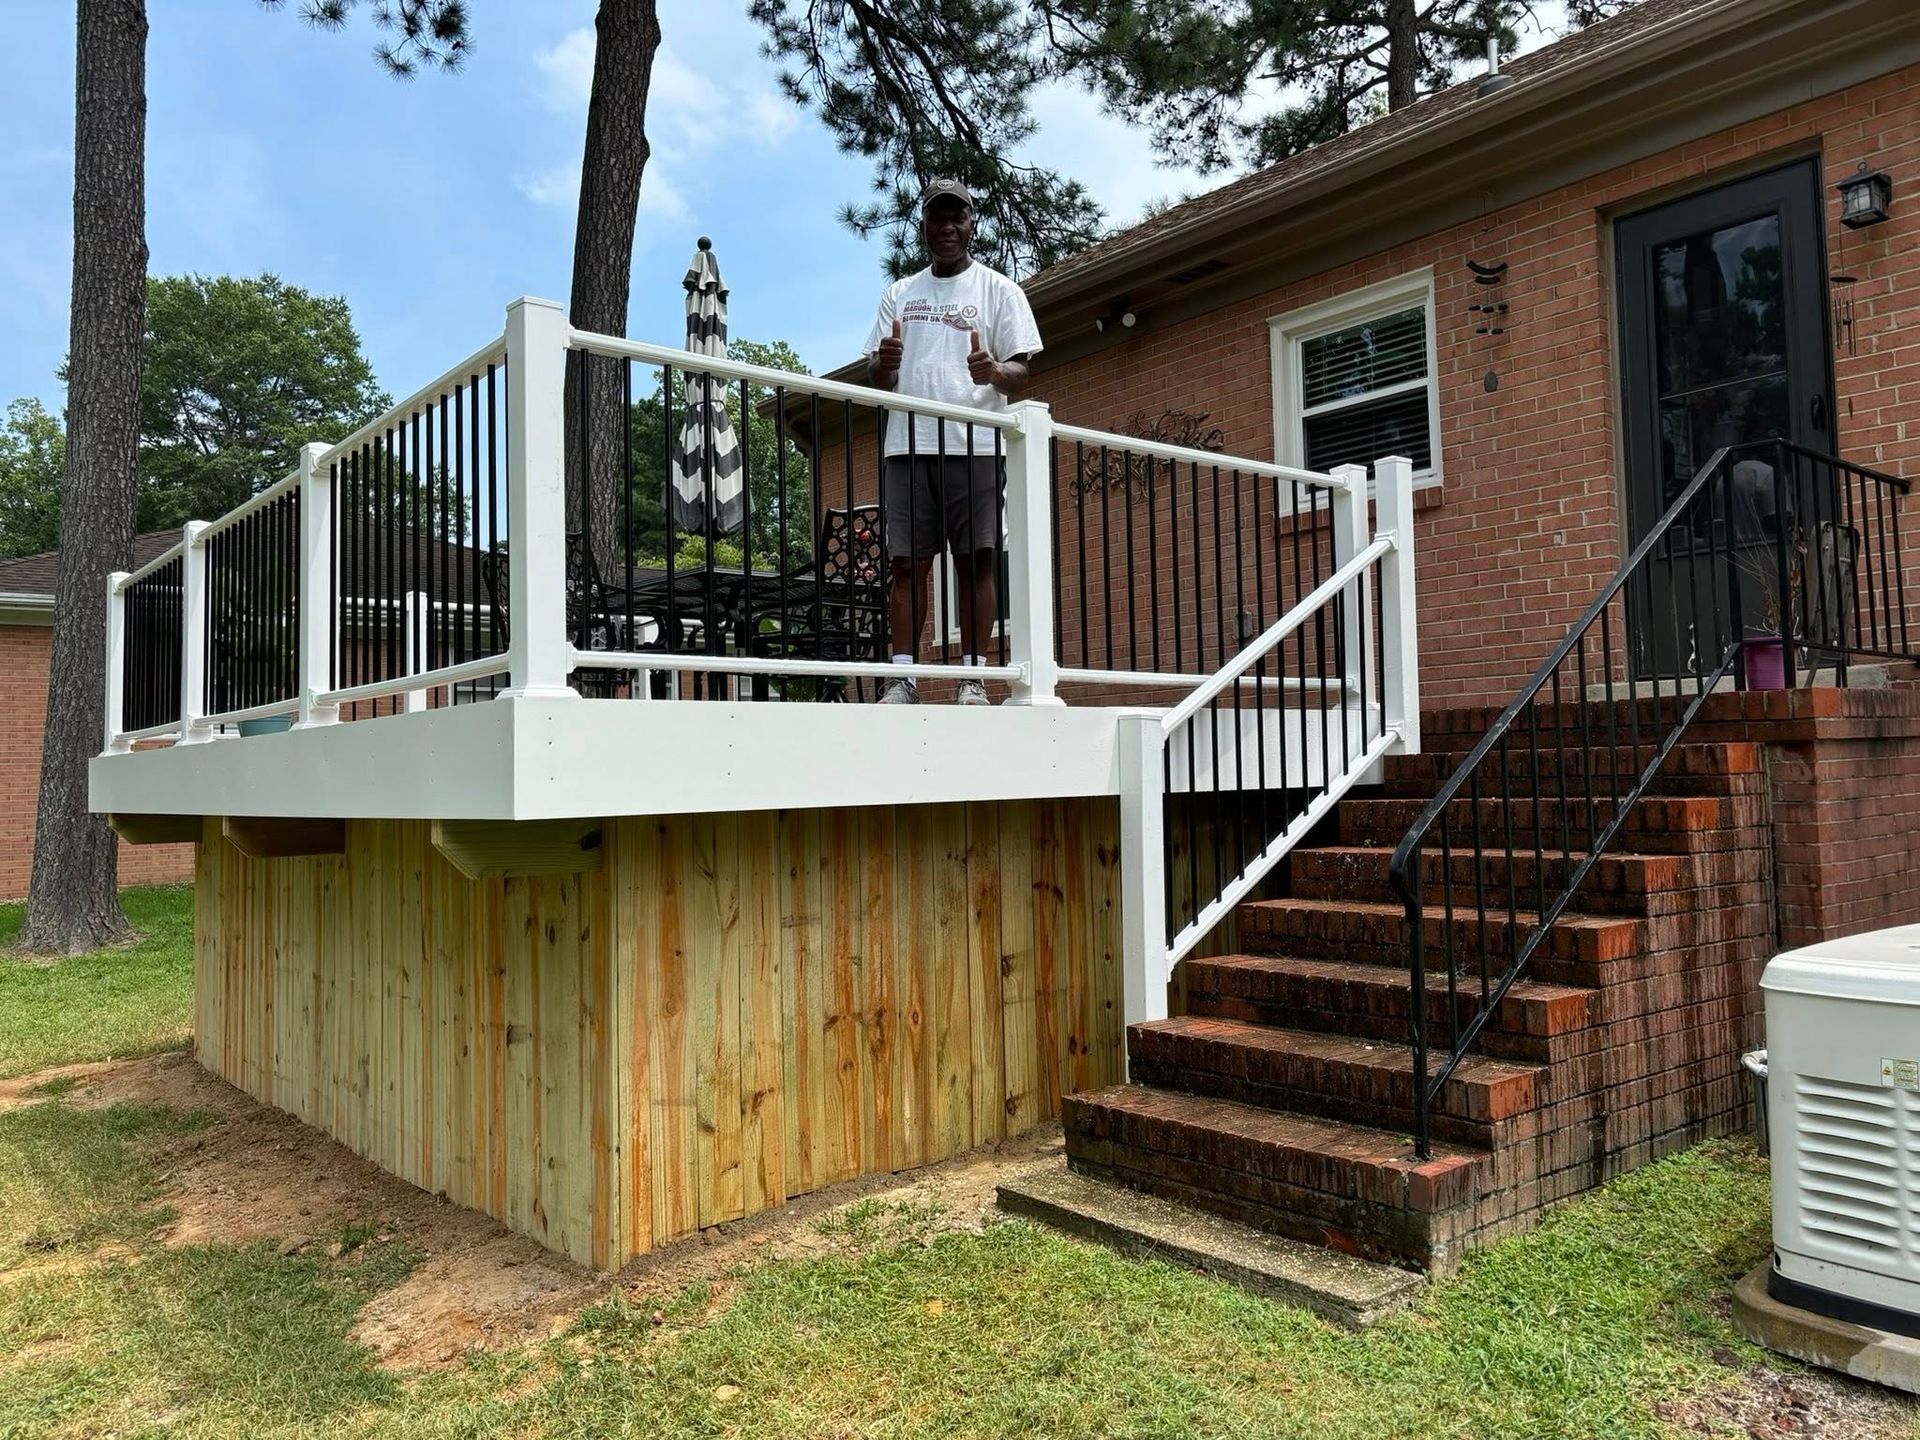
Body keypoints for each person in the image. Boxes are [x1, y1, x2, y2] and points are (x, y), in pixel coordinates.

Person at [863, 179, 1042, 705]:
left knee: (975, 560)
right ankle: (902, 678)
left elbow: (1022, 372)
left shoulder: (1000, 291)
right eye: (937, 219)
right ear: (924, 227)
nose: (947, 227)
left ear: (971, 224)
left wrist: (994, 371)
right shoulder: (900, 292)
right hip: (908, 444)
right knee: (905, 565)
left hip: (977, 445)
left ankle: (972, 676)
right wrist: (883, 365)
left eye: (956, 218)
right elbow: (879, 372)